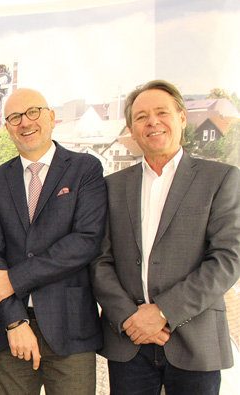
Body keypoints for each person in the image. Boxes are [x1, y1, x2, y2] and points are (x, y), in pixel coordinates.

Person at [91, 80, 240, 395]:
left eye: (162, 112)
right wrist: (130, 317)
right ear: (132, 129)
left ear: (182, 117)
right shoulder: (112, 186)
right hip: (129, 341)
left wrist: (162, 312)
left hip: (194, 339)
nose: (152, 122)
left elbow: (227, 259)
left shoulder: (220, 179)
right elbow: (99, 260)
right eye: (141, 117)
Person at [0, 88, 106, 394]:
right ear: (8, 128)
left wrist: (15, 278)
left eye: (33, 112)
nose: (25, 122)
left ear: (51, 117)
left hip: (70, 329)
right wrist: (13, 321)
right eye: (14, 117)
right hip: (10, 331)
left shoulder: (85, 169)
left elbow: (85, 241)